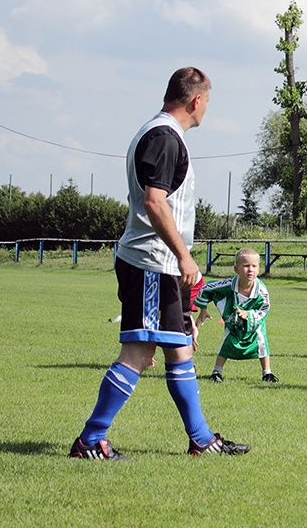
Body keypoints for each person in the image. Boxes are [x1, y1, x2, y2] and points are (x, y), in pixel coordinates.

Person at [69, 67, 248, 460]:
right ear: (196, 100)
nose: (207, 111)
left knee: (180, 347)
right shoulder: (166, 137)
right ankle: (89, 440)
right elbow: (154, 202)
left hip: (160, 265)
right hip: (153, 262)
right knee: (138, 352)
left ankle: (201, 440)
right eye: (208, 103)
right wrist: (184, 255)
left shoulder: (158, 133)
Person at [194, 248, 276, 382]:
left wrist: (249, 315)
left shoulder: (261, 290)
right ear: (236, 269)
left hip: (254, 323)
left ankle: (267, 373)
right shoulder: (228, 284)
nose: (250, 269)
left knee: (261, 342)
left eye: (254, 266)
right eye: (246, 266)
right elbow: (207, 288)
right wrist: (203, 309)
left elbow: (265, 308)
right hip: (233, 321)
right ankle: (216, 372)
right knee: (228, 342)